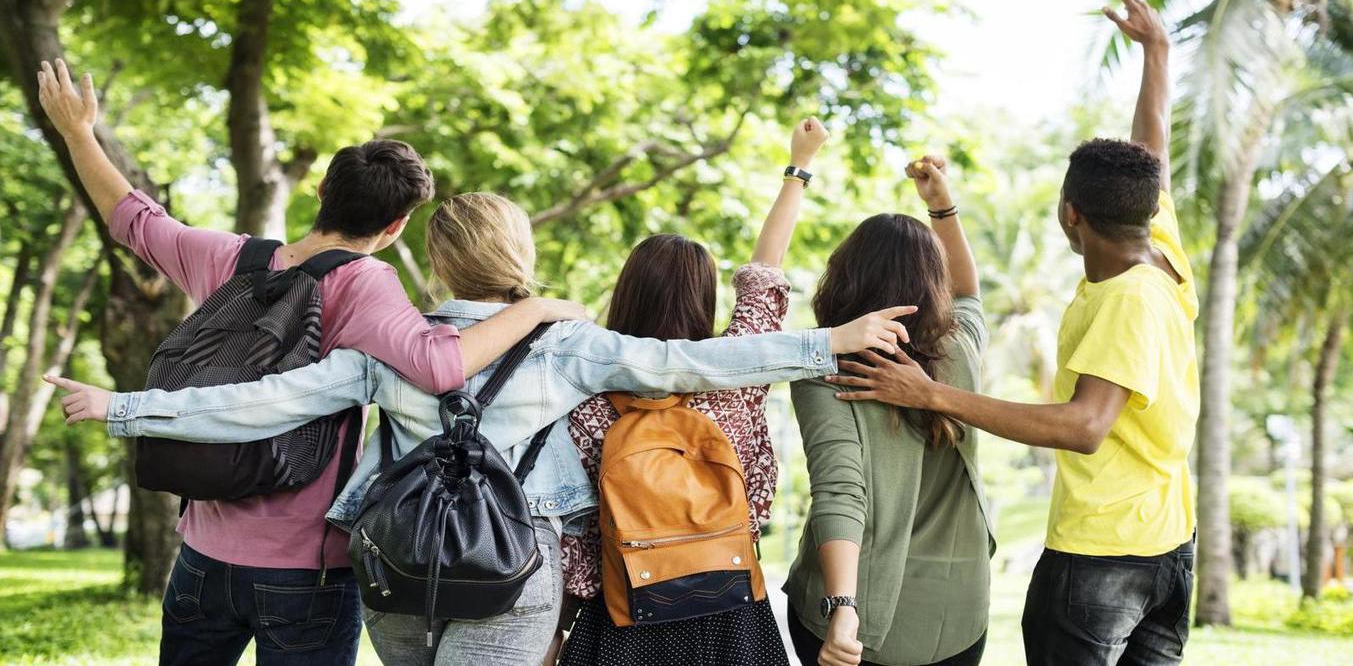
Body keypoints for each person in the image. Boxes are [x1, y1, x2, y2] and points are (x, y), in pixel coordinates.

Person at [50, 191, 913, 664]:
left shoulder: (388, 344)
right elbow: (696, 363)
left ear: (435, 262)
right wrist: (826, 342)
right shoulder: (565, 344)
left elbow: (259, 402)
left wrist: (123, 406)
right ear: (519, 256)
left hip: (395, 566)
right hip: (512, 568)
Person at [35, 59, 581, 666]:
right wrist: (537, 308)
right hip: (306, 568)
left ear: (321, 191)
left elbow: (134, 221)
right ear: (396, 226)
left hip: (202, 556)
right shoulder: (368, 284)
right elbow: (440, 366)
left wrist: (78, 133)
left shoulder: (229, 259)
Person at [826, 0, 1198, 666]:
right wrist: (1157, 53)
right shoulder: (1158, 248)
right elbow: (1152, 151)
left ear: (1070, 214)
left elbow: (1084, 426)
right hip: (1168, 546)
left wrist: (931, 394)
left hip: (1104, 556)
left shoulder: (1127, 300)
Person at [557, 118, 830, 665]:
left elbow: (575, 530)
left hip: (624, 616)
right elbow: (764, 275)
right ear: (703, 299)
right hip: (730, 609)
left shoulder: (583, 393)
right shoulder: (735, 377)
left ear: (626, 293)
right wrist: (798, 167)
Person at [780, 154, 992, 666]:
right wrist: (942, 207)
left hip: (858, 617)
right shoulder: (960, 348)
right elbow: (968, 292)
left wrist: (843, 607)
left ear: (844, 276)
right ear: (933, 283)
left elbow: (840, 491)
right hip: (958, 617)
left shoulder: (827, 368)